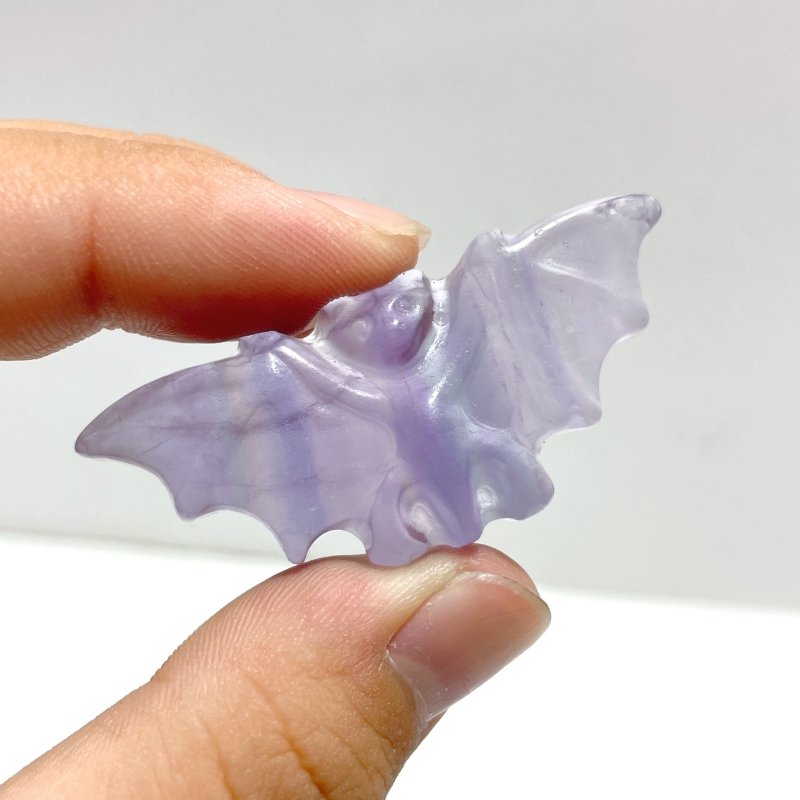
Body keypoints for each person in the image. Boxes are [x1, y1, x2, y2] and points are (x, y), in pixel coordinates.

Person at [0, 121, 550, 800]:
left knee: (506, 466)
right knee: (401, 527)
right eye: (365, 322)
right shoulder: (318, 380)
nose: (388, 322)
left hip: (475, 453)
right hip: (396, 494)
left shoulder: (461, 337)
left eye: (407, 308)